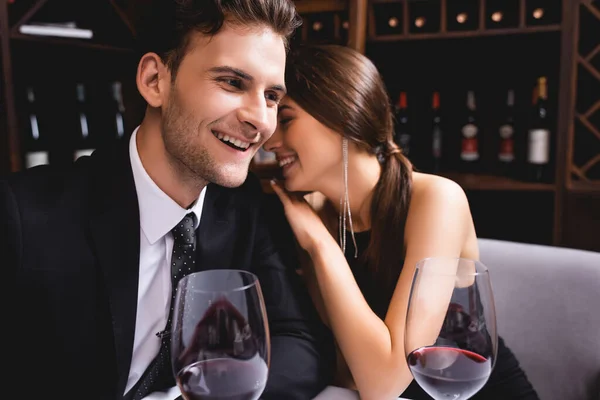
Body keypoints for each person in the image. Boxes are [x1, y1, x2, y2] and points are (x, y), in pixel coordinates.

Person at [1, 2, 335, 399]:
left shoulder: (244, 207)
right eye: (231, 82)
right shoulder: (21, 216)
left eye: (272, 96)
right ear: (155, 80)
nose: (262, 121)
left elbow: (299, 344)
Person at [264, 44, 540, 400]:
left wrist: (320, 245)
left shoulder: (437, 200)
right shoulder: (312, 215)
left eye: (286, 119)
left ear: (344, 116)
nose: (271, 141)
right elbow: (347, 365)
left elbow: (384, 384)